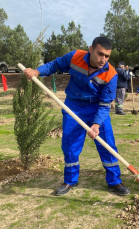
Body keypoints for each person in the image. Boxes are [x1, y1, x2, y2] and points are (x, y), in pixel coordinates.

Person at [24, 37, 130, 196]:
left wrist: (96, 124)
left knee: (107, 145)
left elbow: (105, 104)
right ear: (91, 49)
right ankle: (70, 181)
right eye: (100, 54)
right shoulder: (75, 57)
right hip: (73, 106)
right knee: (70, 145)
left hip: (96, 108)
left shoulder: (111, 74)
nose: (103, 59)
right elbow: (55, 65)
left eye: (107, 56)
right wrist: (37, 71)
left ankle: (114, 181)